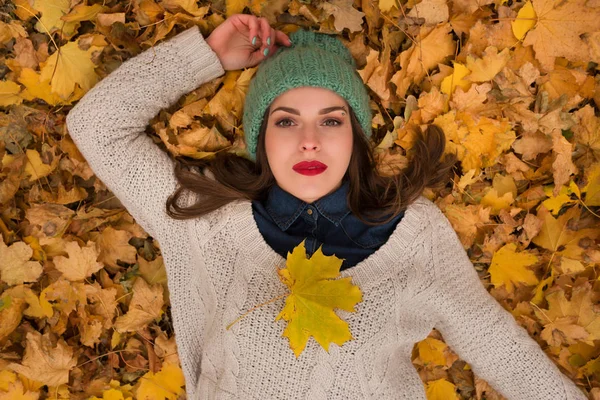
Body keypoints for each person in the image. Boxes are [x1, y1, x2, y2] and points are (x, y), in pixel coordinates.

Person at [66, 13, 587, 400]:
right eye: (286, 120)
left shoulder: (415, 234)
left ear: (357, 137)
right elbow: (96, 126)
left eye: (332, 120)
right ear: (259, 138)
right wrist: (208, 55)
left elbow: (501, 349)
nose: (309, 140)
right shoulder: (208, 219)